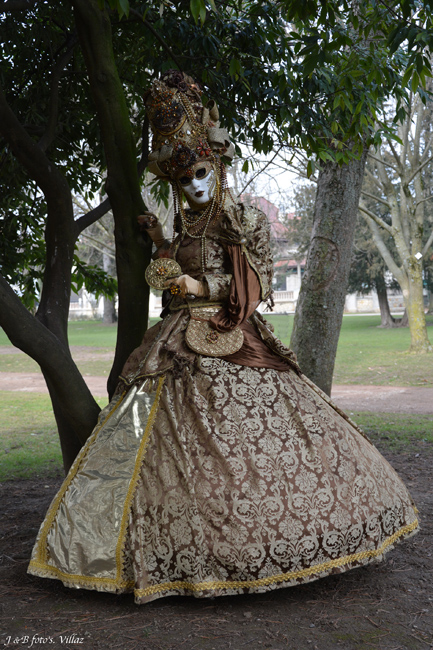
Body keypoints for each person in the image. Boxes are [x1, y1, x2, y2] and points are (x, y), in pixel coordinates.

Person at [28, 71, 418, 605]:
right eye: (183, 181)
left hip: (231, 334)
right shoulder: (183, 227)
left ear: (219, 167)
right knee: (153, 445)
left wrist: (199, 283)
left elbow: (251, 279)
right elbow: (169, 281)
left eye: (201, 174)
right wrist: (164, 248)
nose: (193, 187)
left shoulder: (242, 220)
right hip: (175, 343)